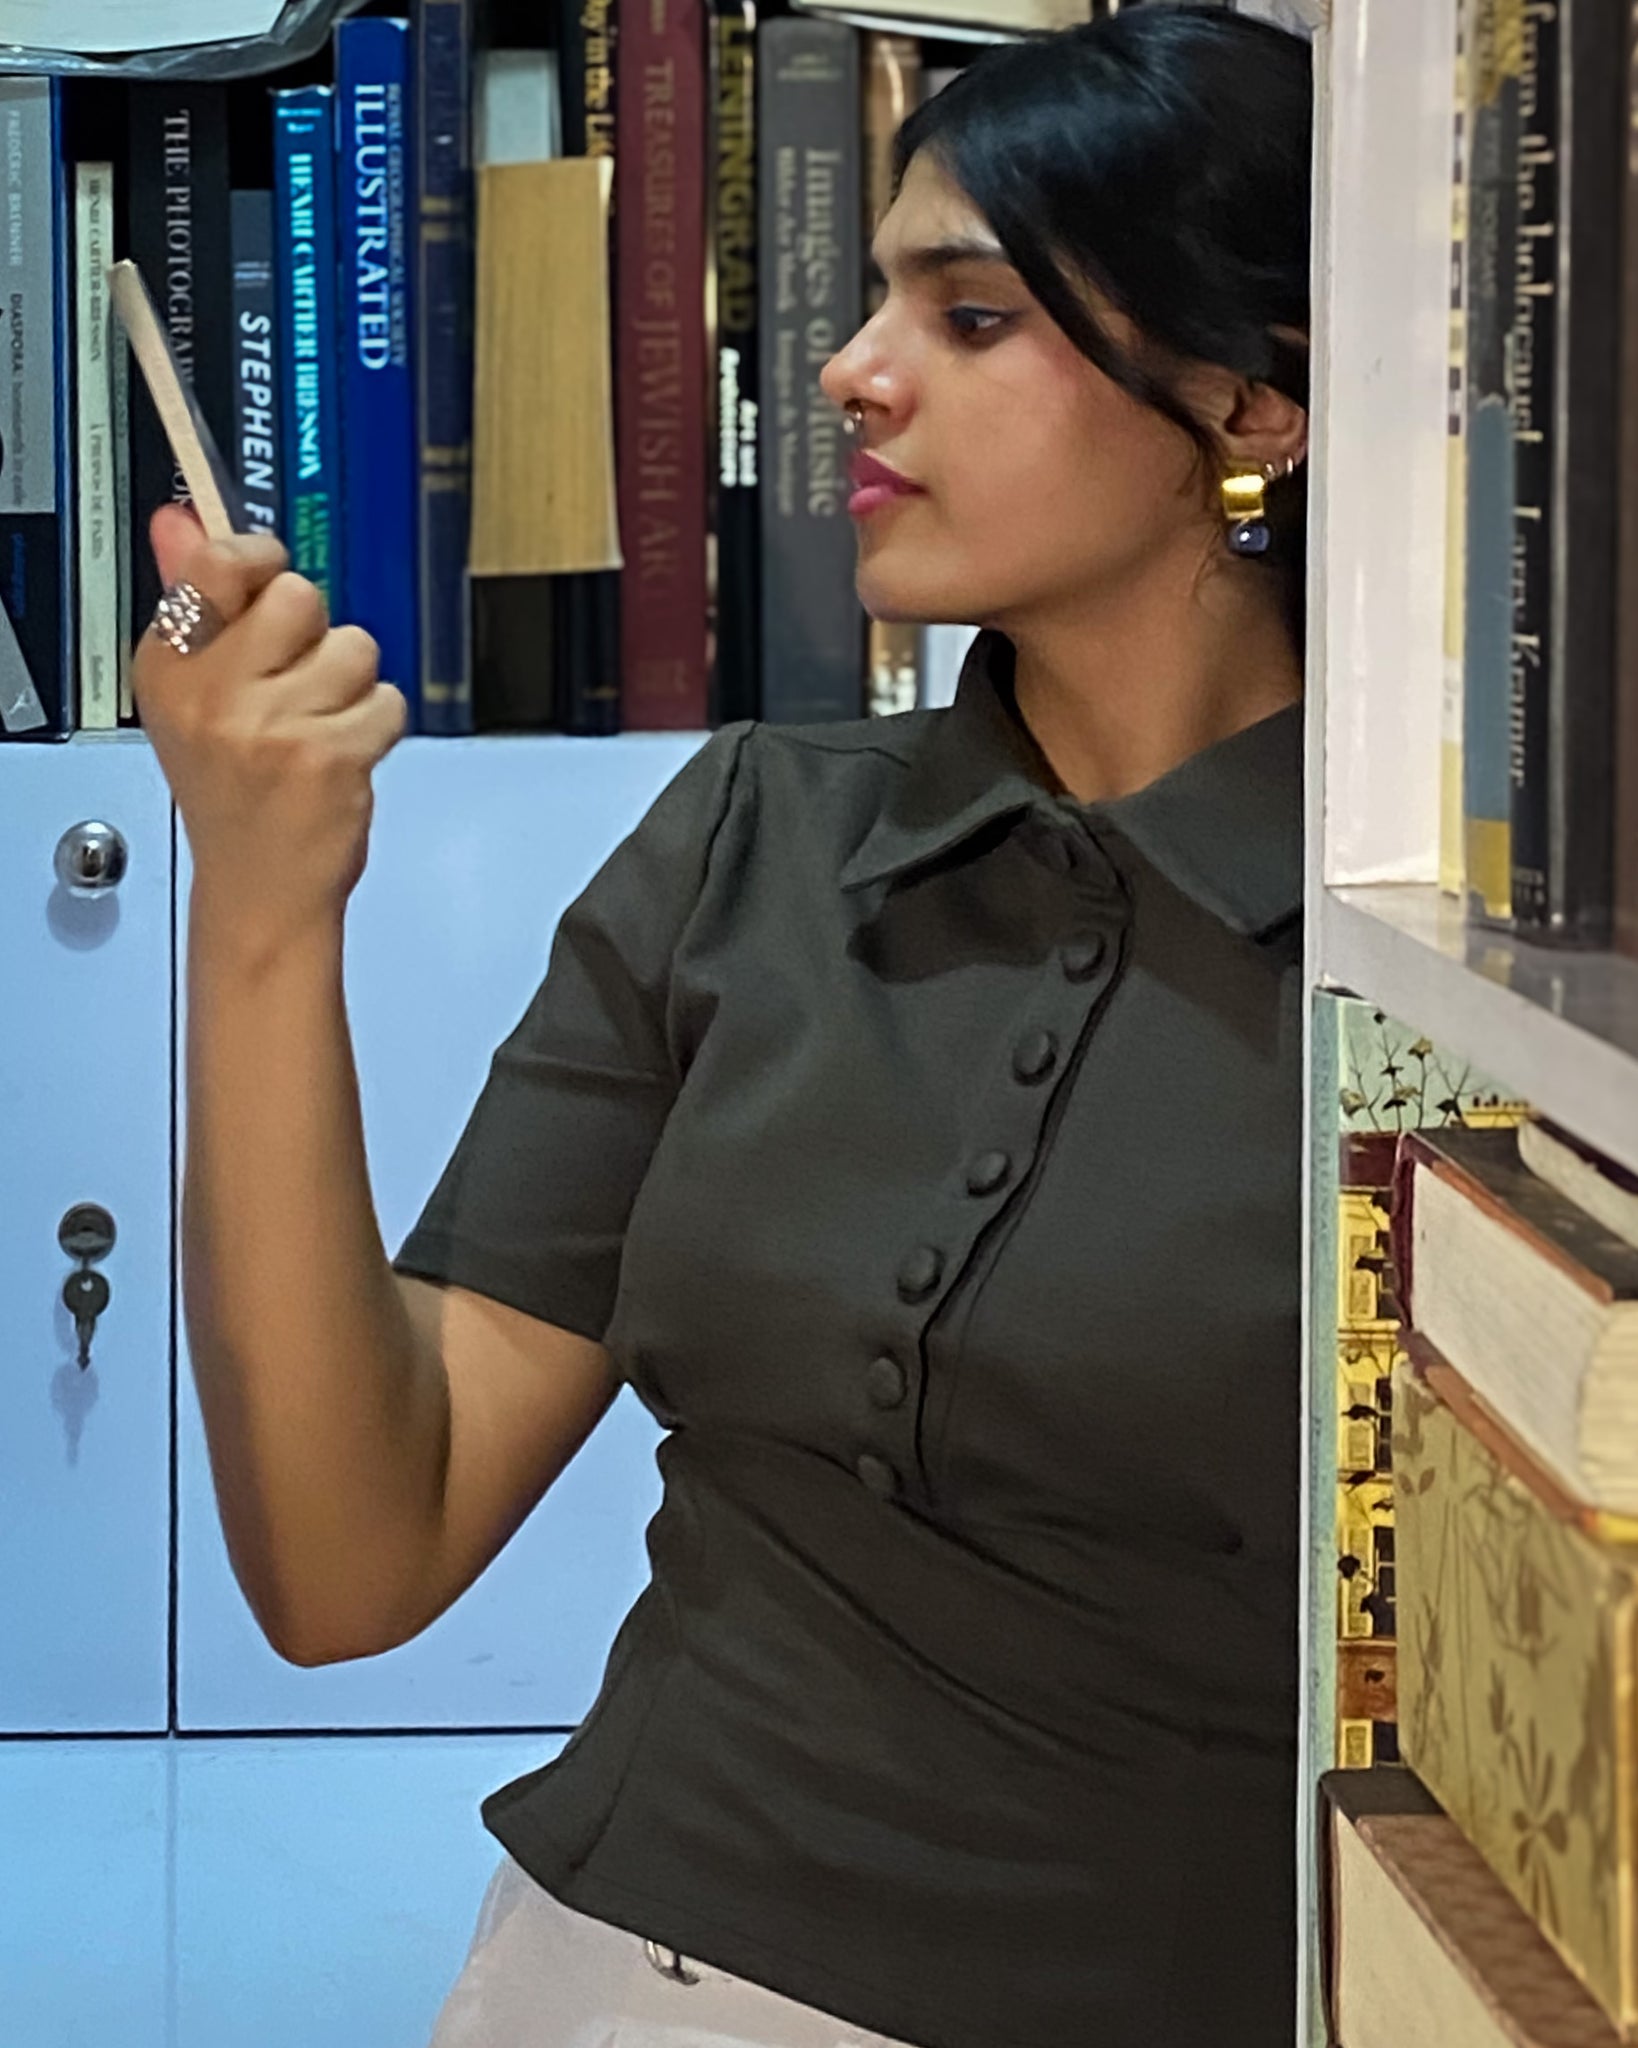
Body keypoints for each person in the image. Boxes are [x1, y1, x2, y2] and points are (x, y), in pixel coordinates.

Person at [133, 8, 1314, 2044]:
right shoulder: (761, 833)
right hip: (615, 1975)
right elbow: (348, 1555)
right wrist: (258, 902)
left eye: (966, 314)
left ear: (1242, 402)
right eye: (874, 300)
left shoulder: (1424, 969)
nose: (849, 370)